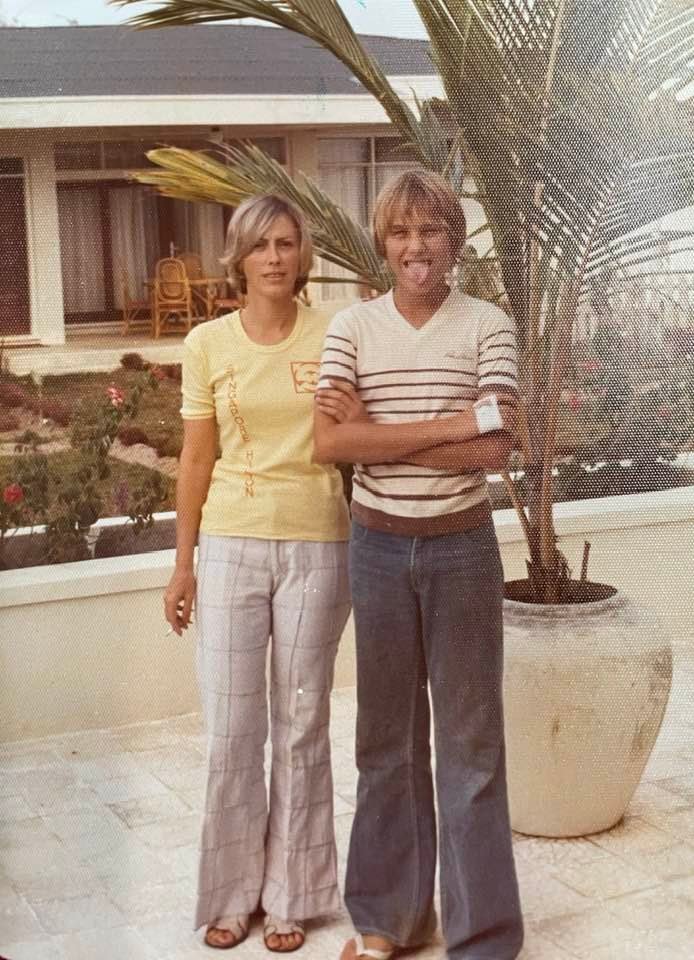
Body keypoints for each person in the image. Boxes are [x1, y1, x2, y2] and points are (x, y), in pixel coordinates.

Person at [314, 170, 524, 960]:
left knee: (471, 746)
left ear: (453, 239)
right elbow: (329, 443)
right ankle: (390, 920)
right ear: (382, 240)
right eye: (400, 232)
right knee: (385, 741)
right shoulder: (351, 329)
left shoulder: (488, 324)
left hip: (461, 549)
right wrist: (451, 422)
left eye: (430, 230)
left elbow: (496, 448)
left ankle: (484, 937)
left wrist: (382, 428)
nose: (415, 247)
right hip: (375, 549)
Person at [165, 194, 351, 952]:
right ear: (237, 258)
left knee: (301, 724)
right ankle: (232, 894)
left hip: (318, 546)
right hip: (231, 547)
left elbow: (356, 434)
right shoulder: (207, 344)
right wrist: (184, 564)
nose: (276, 257)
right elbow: (196, 458)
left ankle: (292, 898)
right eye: (260, 245)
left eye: (287, 243)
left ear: (302, 254)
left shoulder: (337, 331)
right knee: (233, 731)